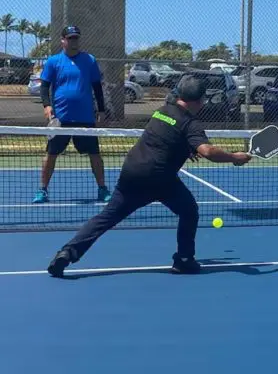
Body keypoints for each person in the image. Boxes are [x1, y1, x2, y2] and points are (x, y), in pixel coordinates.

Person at [46, 75, 253, 277]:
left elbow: (167, 137)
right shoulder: (191, 123)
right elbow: (207, 151)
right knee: (189, 211)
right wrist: (235, 156)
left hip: (132, 171)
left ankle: (67, 252)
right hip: (160, 178)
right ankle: (184, 260)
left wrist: (187, 149)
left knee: (106, 217)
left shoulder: (161, 111)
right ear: (200, 101)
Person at [33, 25, 111, 204]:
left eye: (76, 38)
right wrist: (46, 106)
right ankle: (42, 191)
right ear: (63, 40)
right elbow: (44, 86)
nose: (74, 41)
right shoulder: (53, 61)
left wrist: (101, 110)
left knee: (95, 154)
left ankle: (102, 189)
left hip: (85, 119)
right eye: (70, 38)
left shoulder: (89, 60)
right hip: (60, 119)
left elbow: (97, 87)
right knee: (51, 154)